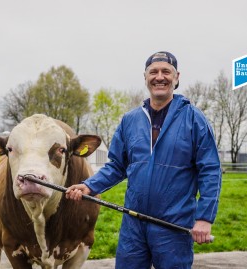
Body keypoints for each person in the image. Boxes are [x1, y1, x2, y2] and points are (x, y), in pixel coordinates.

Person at [65, 51, 222, 269]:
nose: (160, 77)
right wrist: (88, 186)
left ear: (177, 77)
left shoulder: (194, 119)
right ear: (145, 77)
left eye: (166, 71)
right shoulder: (130, 121)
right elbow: (117, 166)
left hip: (173, 226)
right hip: (133, 224)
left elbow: (211, 170)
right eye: (153, 72)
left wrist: (205, 218)